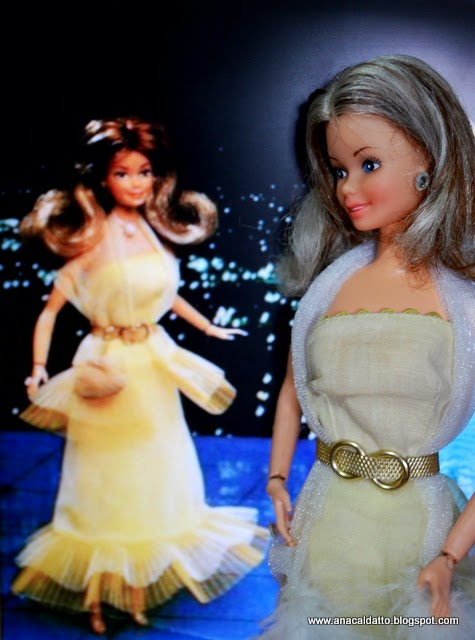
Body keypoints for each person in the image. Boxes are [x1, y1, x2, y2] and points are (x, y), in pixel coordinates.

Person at [11, 117, 269, 634]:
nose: (136, 183)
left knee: (157, 466)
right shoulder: (92, 240)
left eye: (144, 172)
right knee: (102, 474)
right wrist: (38, 368)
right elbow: (50, 311)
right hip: (106, 365)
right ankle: (96, 592)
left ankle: (136, 588)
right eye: (123, 173)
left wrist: (207, 327)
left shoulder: (151, 234)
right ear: (103, 179)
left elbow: (166, 294)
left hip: (151, 362)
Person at [262, 55, 475, 638]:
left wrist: (450, 554)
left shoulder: (462, 305)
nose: (348, 188)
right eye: (338, 170)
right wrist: (277, 481)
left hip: (418, 524)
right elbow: (292, 392)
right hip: (327, 514)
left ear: (428, 160)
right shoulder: (328, 289)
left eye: (369, 164)